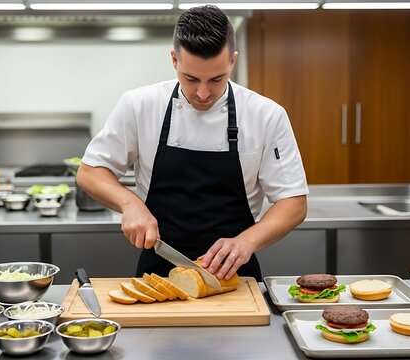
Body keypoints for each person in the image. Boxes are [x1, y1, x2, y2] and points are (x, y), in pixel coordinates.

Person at [77, 5, 308, 282]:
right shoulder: (139, 105)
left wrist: (247, 242)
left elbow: (293, 202)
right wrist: (129, 203)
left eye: (216, 79)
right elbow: (90, 172)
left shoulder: (266, 115)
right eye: (191, 78)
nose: (202, 93)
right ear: (174, 59)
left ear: (232, 61)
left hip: (233, 276)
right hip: (158, 272)